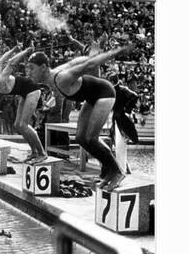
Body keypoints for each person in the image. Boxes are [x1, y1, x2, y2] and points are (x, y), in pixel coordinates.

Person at [24, 43, 134, 191]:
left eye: (31, 68)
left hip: (105, 94)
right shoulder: (54, 77)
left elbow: (90, 64)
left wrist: (118, 50)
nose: (28, 72)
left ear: (43, 67)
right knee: (81, 138)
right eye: (27, 68)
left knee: (91, 138)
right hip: (91, 97)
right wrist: (91, 54)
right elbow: (77, 61)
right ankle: (109, 170)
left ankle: (117, 171)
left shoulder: (61, 78)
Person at [0, 45, 47, 163]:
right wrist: (13, 49)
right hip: (24, 93)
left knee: (23, 125)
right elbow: (0, 61)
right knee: (17, 126)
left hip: (32, 90)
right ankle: (34, 152)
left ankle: (42, 153)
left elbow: (11, 63)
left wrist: (26, 51)